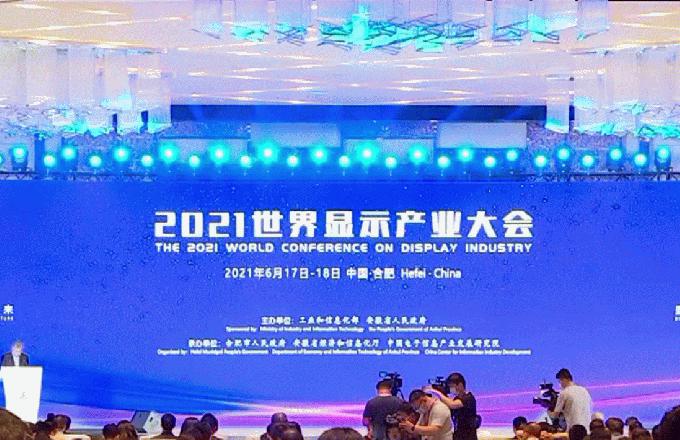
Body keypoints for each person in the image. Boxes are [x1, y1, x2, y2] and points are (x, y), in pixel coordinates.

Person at [426, 373, 477, 440]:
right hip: (458, 435)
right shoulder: (457, 398)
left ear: (460, 385)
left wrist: (437, 393)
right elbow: (449, 408)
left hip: (468, 436)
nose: (451, 389)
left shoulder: (469, 398)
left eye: (452, 387)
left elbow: (452, 405)